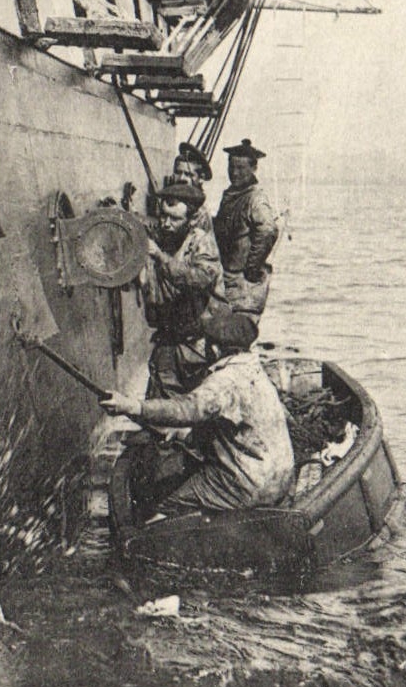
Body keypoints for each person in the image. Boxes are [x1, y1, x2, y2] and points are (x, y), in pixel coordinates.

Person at [102, 309, 295, 515]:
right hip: (280, 479)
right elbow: (231, 426)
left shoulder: (224, 381)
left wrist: (132, 406)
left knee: (166, 503)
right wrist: (183, 434)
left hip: (248, 486)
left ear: (215, 348)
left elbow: (186, 408)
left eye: (205, 342)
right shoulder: (253, 368)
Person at [142, 179, 225, 398]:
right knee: (159, 395)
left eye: (175, 219)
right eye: (163, 216)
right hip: (169, 335)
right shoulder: (162, 237)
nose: (166, 224)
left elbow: (198, 279)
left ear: (191, 220)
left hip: (197, 342)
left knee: (196, 400)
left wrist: (161, 257)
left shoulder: (202, 243)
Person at [212, 137, 280, 322]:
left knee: (235, 327)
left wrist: (252, 267)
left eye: (241, 168)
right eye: (231, 167)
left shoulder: (255, 198)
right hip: (225, 277)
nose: (234, 173)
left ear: (254, 168)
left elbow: (268, 230)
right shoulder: (232, 195)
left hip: (240, 283)